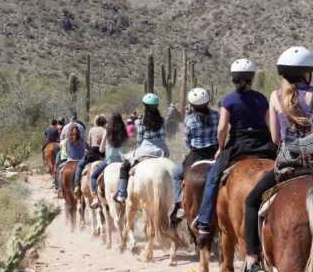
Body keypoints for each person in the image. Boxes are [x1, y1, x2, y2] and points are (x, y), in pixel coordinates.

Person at [242, 47, 313, 272]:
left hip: (288, 168)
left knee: (251, 201)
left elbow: (276, 139)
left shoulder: (276, 97)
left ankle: (252, 259)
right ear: (308, 73)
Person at [193, 59, 275, 236]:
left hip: (238, 144)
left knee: (213, 177)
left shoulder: (229, 100)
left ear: (233, 79)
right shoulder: (261, 98)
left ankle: (204, 220)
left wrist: (221, 148)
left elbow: (222, 128)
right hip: (263, 143)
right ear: (252, 78)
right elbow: (270, 124)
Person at [170, 88, 219, 221]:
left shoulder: (189, 119)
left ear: (191, 105)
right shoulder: (216, 115)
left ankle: (180, 206)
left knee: (176, 175)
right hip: (215, 153)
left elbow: (188, 140)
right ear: (208, 102)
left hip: (196, 155)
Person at [114, 93, 170, 202]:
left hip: (145, 147)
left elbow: (139, 141)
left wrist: (140, 150)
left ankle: (122, 193)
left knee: (125, 166)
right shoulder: (162, 121)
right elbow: (164, 136)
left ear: (144, 107)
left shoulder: (140, 122)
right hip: (161, 148)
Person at [90, 113, 128, 205]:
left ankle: (95, 198)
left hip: (109, 160)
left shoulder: (107, 131)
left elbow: (101, 149)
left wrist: (106, 149)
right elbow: (126, 149)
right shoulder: (124, 131)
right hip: (122, 160)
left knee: (93, 176)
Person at [73, 115, 107, 192]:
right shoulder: (105, 130)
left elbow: (90, 143)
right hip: (103, 153)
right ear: (104, 122)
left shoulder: (92, 130)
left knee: (80, 165)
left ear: (96, 122)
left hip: (92, 152)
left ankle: (77, 184)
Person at [56, 123, 87, 197]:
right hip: (81, 160)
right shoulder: (82, 139)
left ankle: (60, 189)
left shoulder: (67, 140)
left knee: (61, 172)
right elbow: (83, 150)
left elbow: (66, 151)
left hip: (70, 160)